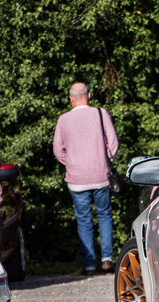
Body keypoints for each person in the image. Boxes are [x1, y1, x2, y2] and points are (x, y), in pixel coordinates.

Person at [53, 83, 119, 276]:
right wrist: (104, 161)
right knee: (105, 216)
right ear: (89, 95)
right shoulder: (100, 113)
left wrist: (72, 163)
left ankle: (89, 266)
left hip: (76, 179)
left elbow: (58, 150)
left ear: (70, 98)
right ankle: (107, 260)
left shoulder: (63, 120)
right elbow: (113, 144)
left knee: (84, 221)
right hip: (100, 176)